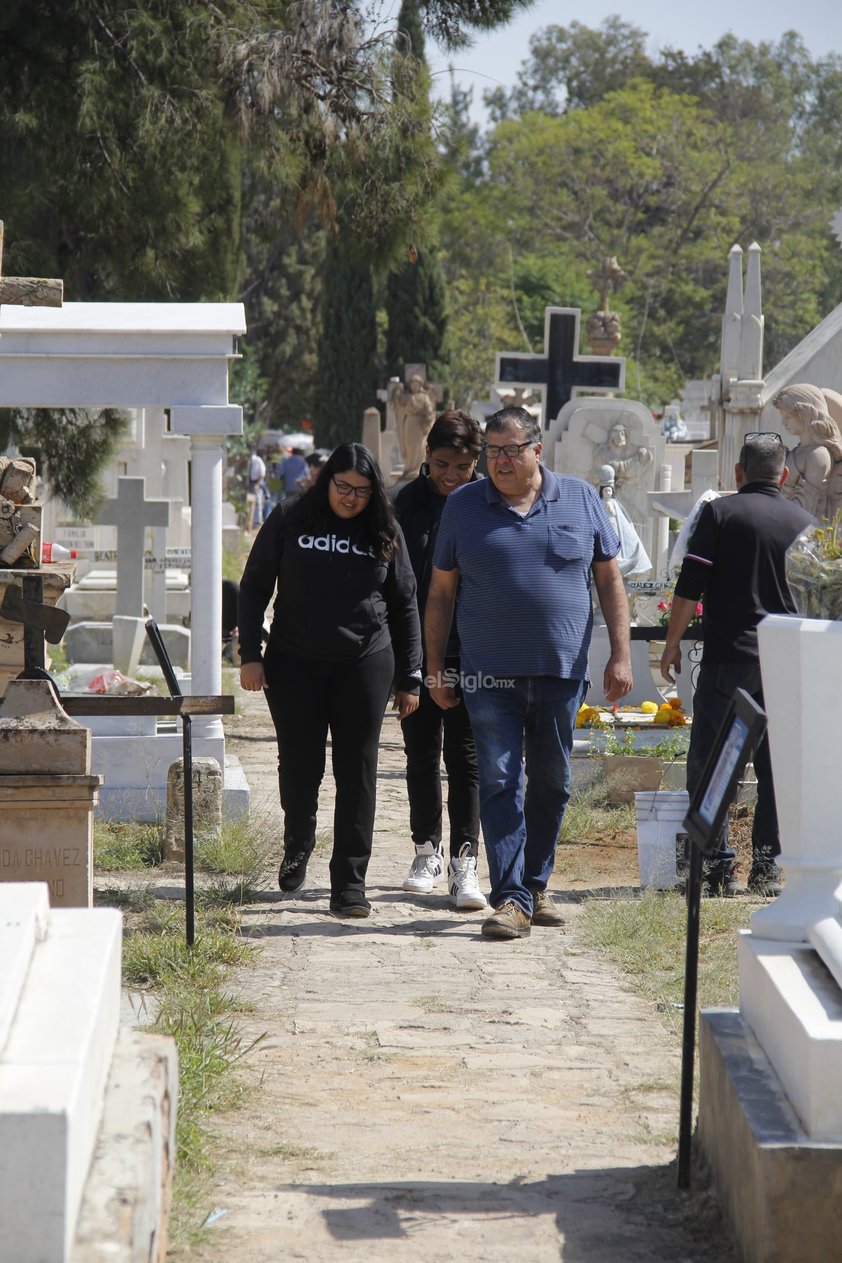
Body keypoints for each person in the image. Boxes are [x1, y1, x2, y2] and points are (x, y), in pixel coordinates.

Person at [425, 406, 632, 940]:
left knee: (553, 782)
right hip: (488, 675)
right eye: (492, 452)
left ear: (537, 451)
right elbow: (441, 593)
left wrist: (621, 654)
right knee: (498, 779)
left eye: (511, 450)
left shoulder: (582, 499)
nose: (500, 462)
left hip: (560, 672)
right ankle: (512, 897)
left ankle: (537, 884)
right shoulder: (464, 508)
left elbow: (609, 582)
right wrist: (432, 668)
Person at [238, 443, 422, 918]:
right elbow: (256, 585)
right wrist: (250, 656)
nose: (351, 498)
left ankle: (349, 883)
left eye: (362, 491)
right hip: (294, 661)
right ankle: (298, 840)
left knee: (356, 772)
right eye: (343, 487)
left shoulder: (384, 528)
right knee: (300, 768)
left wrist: (411, 677)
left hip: (364, 662)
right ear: (327, 481)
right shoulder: (291, 517)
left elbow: (404, 604)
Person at [660, 432, 815, 897]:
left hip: (731, 660)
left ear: (738, 473)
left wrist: (671, 645)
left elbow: (690, 585)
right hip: (786, 663)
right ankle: (767, 871)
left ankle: (715, 869)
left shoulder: (720, 513)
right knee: (775, 770)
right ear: (784, 476)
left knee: (712, 765)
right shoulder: (805, 522)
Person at [394, 410, 485, 911]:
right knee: (422, 752)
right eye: (442, 464)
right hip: (414, 648)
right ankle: (427, 849)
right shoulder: (404, 504)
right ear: (426, 456)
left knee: (466, 757)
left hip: (472, 650)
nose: (451, 476)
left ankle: (465, 862)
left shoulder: (485, 502)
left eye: (463, 466)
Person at [772, 384, 842, 522]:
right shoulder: (800, 450)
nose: (783, 422)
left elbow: (805, 506)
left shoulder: (818, 455)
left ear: (805, 413)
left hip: (801, 533)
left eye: (788, 416)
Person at [247, 449, 267, 528]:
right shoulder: (253, 461)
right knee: (253, 501)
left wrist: (258, 484)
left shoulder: (258, 461)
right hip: (252, 482)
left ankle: (257, 521)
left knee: (258, 501)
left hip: (257, 482)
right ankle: (252, 521)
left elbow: (262, 473)